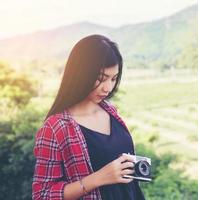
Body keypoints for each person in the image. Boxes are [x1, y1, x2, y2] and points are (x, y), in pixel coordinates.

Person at [32, 34, 146, 200]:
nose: (108, 88)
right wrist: (98, 178)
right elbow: (42, 195)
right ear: (81, 75)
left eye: (114, 79)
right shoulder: (55, 128)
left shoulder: (111, 111)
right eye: (101, 79)